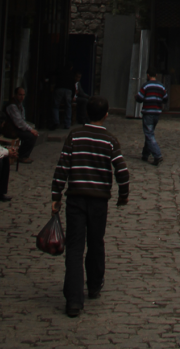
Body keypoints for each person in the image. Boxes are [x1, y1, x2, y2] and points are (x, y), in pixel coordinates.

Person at [51, 94, 129, 318]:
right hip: (99, 200)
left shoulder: (75, 135)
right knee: (96, 242)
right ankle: (94, 284)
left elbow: (62, 167)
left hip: (75, 198)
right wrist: (123, 196)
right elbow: (122, 171)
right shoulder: (110, 140)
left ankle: (74, 300)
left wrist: (56, 195)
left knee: (75, 247)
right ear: (106, 115)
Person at [135, 69, 168, 165]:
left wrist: (136, 97)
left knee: (149, 134)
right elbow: (165, 98)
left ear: (148, 75)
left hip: (148, 112)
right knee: (149, 133)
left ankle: (157, 155)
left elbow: (140, 98)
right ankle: (145, 154)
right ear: (156, 75)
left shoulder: (146, 85)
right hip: (157, 112)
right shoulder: (161, 86)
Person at [4, 86, 38, 162]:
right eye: (20, 95)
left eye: (23, 95)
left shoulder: (20, 105)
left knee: (33, 134)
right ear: (15, 95)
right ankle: (22, 156)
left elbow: (23, 119)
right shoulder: (12, 105)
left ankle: (23, 154)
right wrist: (30, 129)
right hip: (11, 129)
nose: (22, 97)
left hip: (17, 128)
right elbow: (19, 122)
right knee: (30, 136)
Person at [52, 61, 76, 129]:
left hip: (59, 88)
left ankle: (56, 121)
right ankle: (67, 123)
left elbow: (53, 73)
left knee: (56, 106)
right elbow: (73, 86)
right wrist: (73, 95)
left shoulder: (60, 71)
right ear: (71, 68)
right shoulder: (71, 74)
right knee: (68, 107)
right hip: (68, 90)